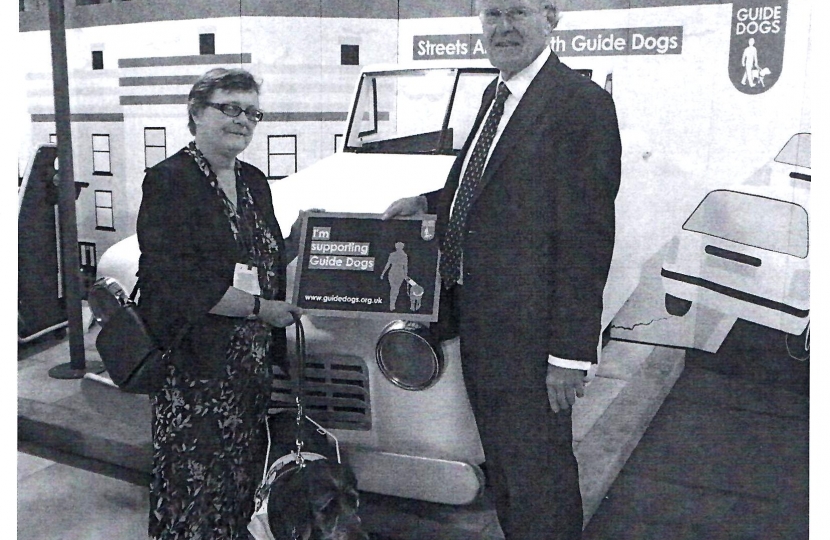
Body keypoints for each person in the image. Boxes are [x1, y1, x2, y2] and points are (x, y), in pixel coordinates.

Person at [382, 1, 621, 538]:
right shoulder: (499, 95)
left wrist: (568, 354)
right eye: (492, 14)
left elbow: (587, 241)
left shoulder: (580, 105)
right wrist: (425, 202)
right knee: (509, 472)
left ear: (551, 18)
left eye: (518, 12)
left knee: (540, 478)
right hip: (484, 324)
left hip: (534, 340)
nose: (503, 27)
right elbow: (483, 188)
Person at [136, 67, 302, 539]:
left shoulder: (253, 179)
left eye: (252, 112)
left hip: (248, 366)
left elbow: (266, 254)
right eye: (230, 108)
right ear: (196, 111)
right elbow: (176, 281)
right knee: (194, 479)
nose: (243, 120)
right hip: (195, 364)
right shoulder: (169, 180)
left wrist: (309, 238)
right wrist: (258, 310)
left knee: (241, 477)